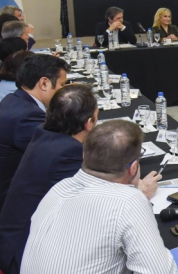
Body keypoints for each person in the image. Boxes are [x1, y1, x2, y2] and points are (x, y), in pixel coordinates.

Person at [20, 120, 174, 274]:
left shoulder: (59, 189)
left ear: (83, 155)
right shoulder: (129, 201)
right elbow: (160, 271)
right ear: (133, 168)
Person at [0, 85, 99, 274]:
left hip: (11, 238)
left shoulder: (44, 134)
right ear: (88, 123)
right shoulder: (68, 152)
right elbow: (91, 203)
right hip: (23, 252)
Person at [0, 55, 70, 210]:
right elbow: (60, 151)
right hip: (11, 203)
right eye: (62, 85)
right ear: (44, 83)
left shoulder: (14, 99)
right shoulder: (26, 116)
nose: (64, 91)